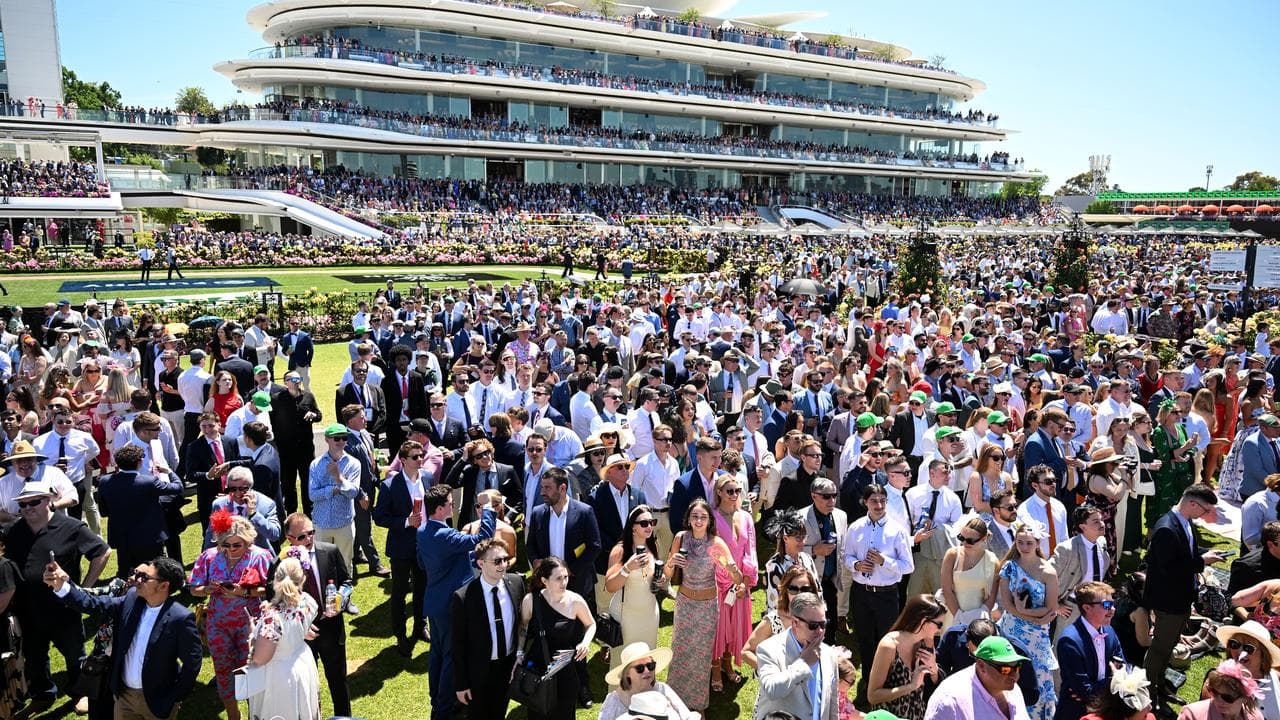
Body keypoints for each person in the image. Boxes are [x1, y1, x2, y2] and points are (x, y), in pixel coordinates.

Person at [45, 554, 200, 720]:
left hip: (157, 700)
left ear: (163, 586)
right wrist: (62, 586)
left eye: (144, 577)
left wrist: (173, 697)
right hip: (124, 697)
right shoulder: (131, 599)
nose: (136, 580)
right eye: (137, 574)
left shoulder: (180, 619)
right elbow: (92, 604)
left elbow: (192, 663)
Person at [7, 480, 110, 716]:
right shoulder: (15, 531)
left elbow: (102, 552)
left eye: (34, 502)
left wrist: (84, 590)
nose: (28, 508)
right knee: (34, 656)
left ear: (49, 501)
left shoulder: (71, 526)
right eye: (23, 504)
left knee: (75, 654)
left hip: (63, 607)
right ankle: (43, 695)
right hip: (27, 608)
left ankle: (80, 693)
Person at [1144, 483, 1227, 716]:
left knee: (1169, 645)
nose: (1205, 515)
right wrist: (1202, 562)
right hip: (1168, 601)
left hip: (1180, 598)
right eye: (1205, 510)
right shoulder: (1166, 529)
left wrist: (1202, 554)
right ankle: (1149, 695)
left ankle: (1160, 686)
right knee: (1160, 649)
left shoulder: (1183, 521)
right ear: (1192, 503)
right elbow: (1168, 569)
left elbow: (1186, 549)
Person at [418, 483, 496, 720]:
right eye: (450, 504)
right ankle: (443, 708)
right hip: (450, 604)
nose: (454, 506)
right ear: (440, 509)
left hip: (434, 602)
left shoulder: (423, 531)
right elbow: (485, 537)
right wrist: (488, 508)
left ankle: (436, 700)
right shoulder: (446, 534)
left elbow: (423, 563)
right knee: (451, 657)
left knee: (437, 654)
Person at [526, 466, 602, 707]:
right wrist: (537, 563)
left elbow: (594, 545)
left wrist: (569, 573)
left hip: (577, 586)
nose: (543, 493)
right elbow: (530, 546)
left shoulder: (584, 511)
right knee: (549, 638)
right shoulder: (538, 513)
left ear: (563, 488)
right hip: (547, 591)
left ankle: (582, 687)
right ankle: (545, 682)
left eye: (547, 488)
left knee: (578, 639)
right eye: (541, 488)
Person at [188, 510, 274, 720]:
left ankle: (257, 712)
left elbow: (270, 589)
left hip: (250, 623)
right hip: (218, 624)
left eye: (237, 545)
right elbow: (193, 589)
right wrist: (208, 589)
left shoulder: (261, 556)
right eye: (225, 545)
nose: (231, 550)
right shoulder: (209, 556)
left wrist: (243, 592)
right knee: (224, 672)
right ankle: (233, 715)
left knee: (252, 668)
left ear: (248, 541)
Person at [666, 497, 744, 712]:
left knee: (700, 658)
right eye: (695, 516)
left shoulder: (716, 543)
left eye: (703, 516)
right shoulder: (681, 538)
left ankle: (697, 706)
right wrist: (672, 563)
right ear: (689, 519)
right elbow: (666, 574)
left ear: (709, 520)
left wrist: (731, 567)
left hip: (707, 608)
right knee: (680, 653)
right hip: (684, 605)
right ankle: (674, 701)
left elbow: (737, 579)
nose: (699, 520)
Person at [843, 483, 915, 702]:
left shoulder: (897, 530)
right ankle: (868, 682)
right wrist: (856, 565)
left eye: (882, 500)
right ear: (865, 502)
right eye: (874, 500)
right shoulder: (855, 528)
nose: (879, 505)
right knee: (865, 639)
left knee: (887, 640)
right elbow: (845, 556)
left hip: (886, 594)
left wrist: (885, 561)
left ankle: (888, 683)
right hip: (861, 593)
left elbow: (908, 566)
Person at [279, 512, 352, 717]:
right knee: (306, 684)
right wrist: (298, 624)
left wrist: (341, 598)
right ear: (289, 539)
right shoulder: (282, 564)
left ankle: (343, 717)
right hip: (301, 635)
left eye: (311, 532)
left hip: (331, 627)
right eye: (302, 536)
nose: (309, 538)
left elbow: (346, 582)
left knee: (338, 680)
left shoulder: (329, 551)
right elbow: (275, 600)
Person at [451, 538, 526, 720]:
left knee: (499, 711)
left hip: (508, 667)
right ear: (480, 563)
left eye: (505, 559)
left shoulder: (516, 583)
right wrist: (461, 684)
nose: (503, 565)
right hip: (479, 671)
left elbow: (523, 624)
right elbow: (458, 644)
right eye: (497, 561)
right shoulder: (463, 597)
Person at [998, 521, 1065, 720]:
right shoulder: (1009, 567)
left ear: (1037, 543)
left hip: (1037, 636)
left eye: (1028, 543)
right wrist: (1026, 613)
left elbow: (1051, 608)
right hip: (1011, 631)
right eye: (1020, 542)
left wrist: (1028, 614)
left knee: (1039, 676)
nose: (1024, 547)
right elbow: (1008, 605)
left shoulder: (1048, 571)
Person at [373, 440, 432, 657]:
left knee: (422, 588)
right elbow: (379, 517)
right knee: (399, 593)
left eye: (421, 455)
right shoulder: (389, 486)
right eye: (415, 457)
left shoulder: (427, 478)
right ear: (404, 460)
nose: (420, 460)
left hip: (425, 544)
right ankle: (400, 635)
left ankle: (420, 625)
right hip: (401, 547)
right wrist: (406, 522)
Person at [517, 556, 596, 720]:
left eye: (566, 577)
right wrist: (519, 651)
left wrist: (585, 642)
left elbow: (591, 624)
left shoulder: (575, 601)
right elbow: (523, 627)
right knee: (537, 713)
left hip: (565, 669)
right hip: (538, 668)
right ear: (545, 580)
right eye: (558, 578)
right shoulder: (531, 601)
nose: (564, 582)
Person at [243, 557, 321, 720]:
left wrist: (253, 633)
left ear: (275, 581)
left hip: (279, 677)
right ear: (302, 579)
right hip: (302, 663)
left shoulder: (272, 619)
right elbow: (295, 625)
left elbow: (260, 658)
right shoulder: (307, 601)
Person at [96, 444, 184, 578]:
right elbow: (177, 487)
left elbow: (104, 511)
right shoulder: (148, 481)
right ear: (140, 462)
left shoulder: (105, 481)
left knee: (126, 571)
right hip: (149, 536)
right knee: (153, 571)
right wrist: (169, 471)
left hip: (122, 536)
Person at [753, 590, 840, 720]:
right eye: (813, 625)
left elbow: (833, 702)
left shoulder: (829, 654)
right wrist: (803, 663)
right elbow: (772, 690)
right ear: (795, 623)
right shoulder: (769, 649)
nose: (820, 631)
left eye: (823, 624)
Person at [866, 594, 945, 720]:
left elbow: (933, 684)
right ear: (924, 622)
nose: (940, 630)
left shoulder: (927, 642)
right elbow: (873, 696)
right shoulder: (889, 646)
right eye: (939, 625)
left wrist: (934, 670)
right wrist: (910, 687)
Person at [712, 472, 758, 690]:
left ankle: (728, 665)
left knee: (735, 627)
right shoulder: (711, 517)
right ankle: (714, 668)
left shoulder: (746, 517)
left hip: (741, 584)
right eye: (729, 491)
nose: (734, 495)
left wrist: (745, 581)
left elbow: (751, 549)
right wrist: (727, 580)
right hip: (719, 583)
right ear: (719, 492)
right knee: (719, 627)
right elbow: (711, 552)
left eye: (737, 490)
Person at [602, 505, 662, 673]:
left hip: (650, 614)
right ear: (632, 527)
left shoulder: (654, 545)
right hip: (626, 616)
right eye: (644, 523)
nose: (649, 526)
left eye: (652, 522)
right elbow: (610, 586)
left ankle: (642, 697)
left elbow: (651, 579)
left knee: (647, 661)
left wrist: (660, 579)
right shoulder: (620, 550)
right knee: (624, 664)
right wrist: (627, 568)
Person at [1056, 581, 1126, 720]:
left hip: (1106, 710)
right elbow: (1084, 690)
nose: (1112, 609)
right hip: (1076, 711)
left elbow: (1125, 668)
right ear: (1087, 608)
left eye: (1113, 603)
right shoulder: (1070, 641)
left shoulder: (1109, 632)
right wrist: (1115, 681)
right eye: (1107, 605)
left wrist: (1117, 679)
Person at [923, 636, 1032, 720]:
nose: (1015, 676)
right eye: (1005, 670)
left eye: (1017, 668)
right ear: (981, 666)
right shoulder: (950, 700)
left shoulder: (1012, 688)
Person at [308, 423, 361, 580]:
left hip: (343, 523)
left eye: (344, 438)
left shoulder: (353, 464)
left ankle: (345, 598)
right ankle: (325, 597)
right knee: (321, 564)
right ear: (327, 439)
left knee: (345, 563)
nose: (340, 441)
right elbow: (312, 495)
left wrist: (338, 478)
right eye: (336, 438)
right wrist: (335, 489)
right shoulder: (316, 464)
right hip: (321, 523)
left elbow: (353, 492)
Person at [743, 566, 822, 669]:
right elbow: (746, 652)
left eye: (805, 589)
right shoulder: (774, 620)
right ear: (785, 591)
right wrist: (772, 672)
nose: (799, 594)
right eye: (793, 589)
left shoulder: (816, 618)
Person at [600, 643, 695, 720]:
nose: (647, 671)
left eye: (650, 666)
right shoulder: (614, 700)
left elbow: (686, 716)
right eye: (640, 668)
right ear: (627, 673)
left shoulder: (662, 689)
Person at [804, 477, 849, 637]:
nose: (832, 500)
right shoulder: (800, 517)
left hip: (831, 580)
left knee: (829, 624)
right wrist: (814, 550)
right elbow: (788, 550)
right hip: (808, 582)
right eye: (826, 496)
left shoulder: (841, 516)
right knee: (809, 625)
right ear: (814, 496)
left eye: (834, 495)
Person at [1210, 622, 1280, 719]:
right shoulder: (1218, 680)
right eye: (1234, 644)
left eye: (1249, 648)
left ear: (1263, 654)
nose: (1240, 651)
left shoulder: (1276, 677)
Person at [939, 516, 998, 626]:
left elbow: (991, 597)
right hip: (952, 613)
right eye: (961, 538)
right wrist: (959, 617)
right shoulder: (952, 554)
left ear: (984, 539)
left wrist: (978, 618)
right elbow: (946, 590)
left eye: (970, 541)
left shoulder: (992, 560)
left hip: (979, 617)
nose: (964, 543)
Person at [762, 509, 819, 615]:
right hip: (787, 622)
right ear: (785, 538)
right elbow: (775, 604)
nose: (803, 542)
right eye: (798, 538)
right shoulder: (774, 566)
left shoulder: (807, 558)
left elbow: (817, 590)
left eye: (804, 537)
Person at [1177, 659, 1265, 720]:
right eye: (1214, 692)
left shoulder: (1256, 717)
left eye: (1227, 698)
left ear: (1245, 698)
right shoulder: (1192, 714)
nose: (1218, 700)